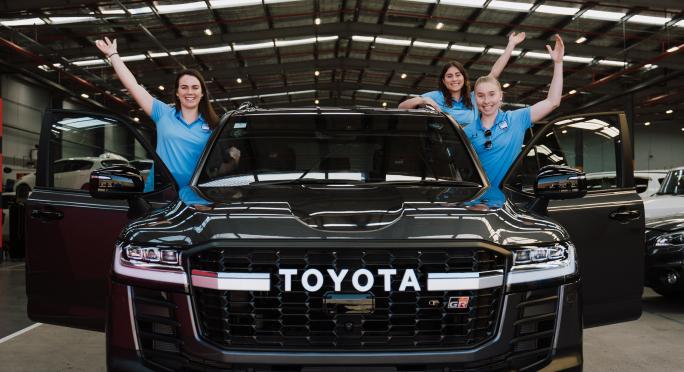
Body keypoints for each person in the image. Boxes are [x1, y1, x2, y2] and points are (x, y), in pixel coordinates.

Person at [94, 37, 239, 191]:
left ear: (202, 93)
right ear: (177, 93)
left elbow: (217, 170)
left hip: (198, 196)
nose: (189, 92)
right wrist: (113, 55)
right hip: (162, 194)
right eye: (184, 87)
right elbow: (133, 86)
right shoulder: (162, 113)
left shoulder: (214, 125)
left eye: (195, 87)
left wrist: (234, 161)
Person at [464, 34, 565, 188]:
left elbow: (553, 102)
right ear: (474, 99)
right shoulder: (466, 132)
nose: (486, 101)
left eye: (492, 94)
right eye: (480, 95)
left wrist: (558, 63)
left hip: (507, 203)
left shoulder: (515, 120)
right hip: (478, 203)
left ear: (500, 96)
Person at [398, 32, 526, 127]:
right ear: (443, 81)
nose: (454, 79)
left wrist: (511, 45)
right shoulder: (436, 96)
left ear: (464, 78)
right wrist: (422, 99)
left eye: (458, 75)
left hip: (470, 148)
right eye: (449, 76)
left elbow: (493, 74)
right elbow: (401, 107)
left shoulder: (474, 97)